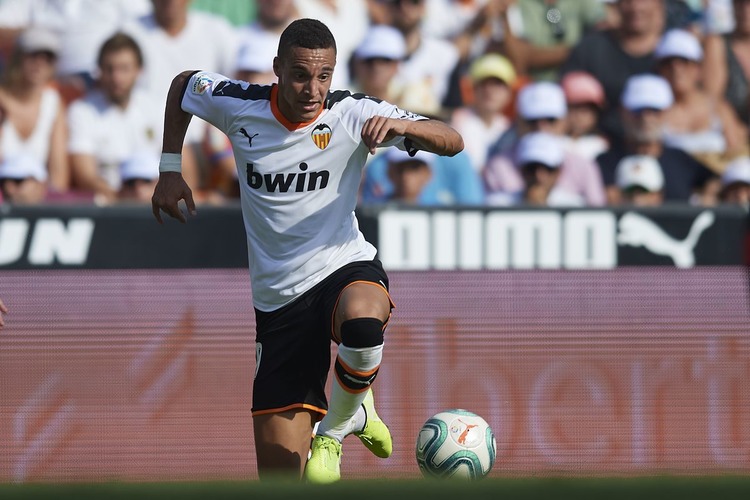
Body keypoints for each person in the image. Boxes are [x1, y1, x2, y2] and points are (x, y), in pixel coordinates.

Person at [150, 18, 464, 482]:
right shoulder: (240, 104)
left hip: (342, 265)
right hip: (278, 303)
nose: (313, 89)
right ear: (276, 67)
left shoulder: (355, 113)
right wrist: (170, 168)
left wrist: (402, 124)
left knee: (363, 319)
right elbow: (183, 85)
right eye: (300, 75)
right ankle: (356, 407)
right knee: (282, 481)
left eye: (324, 76)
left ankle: (333, 432)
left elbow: (453, 141)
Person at [67, 33, 164, 204]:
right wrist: (126, 198)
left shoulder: (158, 108)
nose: (116, 78)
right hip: (107, 207)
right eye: (109, 69)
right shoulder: (81, 111)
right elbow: (85, 176)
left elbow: (184, 166)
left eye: (124, 69)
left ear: (139, 70)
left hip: (157, 203)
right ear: (99, 71)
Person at [596, 74, 716, 204]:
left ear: (668, 112)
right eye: (637, 110)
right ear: (622, 112)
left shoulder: (682, 161)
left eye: (655, 110)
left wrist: (709, 193)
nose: (646, 118)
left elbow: (716, 179)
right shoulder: (602, 164)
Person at [562, 0, 666, 146]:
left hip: (662, 145)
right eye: (628, 1)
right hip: (598, 146)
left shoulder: (676, 53)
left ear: (659, 4)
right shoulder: (591, 48)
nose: (635, 7)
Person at [655, 28, 748, 173]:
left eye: (684, 62)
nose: (676, 69)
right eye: (668, 63)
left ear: (698, 69)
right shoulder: (655, 111)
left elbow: (737, 154)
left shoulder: (718, 108)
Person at [0, 27, 69, 194]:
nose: (40, 64)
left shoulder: (53, 103)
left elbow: (58, 178)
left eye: (47, 59)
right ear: (17, 58)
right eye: (33, 56)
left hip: (39, 200)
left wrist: (38, 197)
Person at [450, 53, 515, 173]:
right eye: (483, 83)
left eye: (497, 84)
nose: (489, 90)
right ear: (474, 89)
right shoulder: (458, 122)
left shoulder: (509, 128)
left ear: (508, 93)